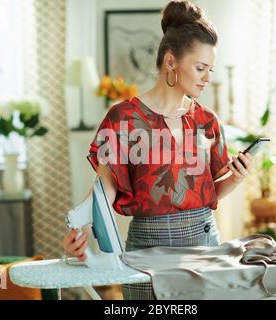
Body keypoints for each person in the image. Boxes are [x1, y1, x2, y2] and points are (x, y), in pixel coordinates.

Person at [62, 0, 254, 299]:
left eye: (211, 69)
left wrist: (237, 178)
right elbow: (106, 186)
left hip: (204, 246)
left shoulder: (207, 121)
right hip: (146, 251)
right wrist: (82, 225)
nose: (207, 77)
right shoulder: (123, 118)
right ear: (171, 61)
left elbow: (206, 195)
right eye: (201, 68)